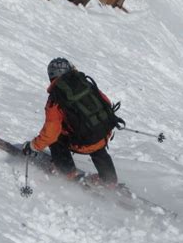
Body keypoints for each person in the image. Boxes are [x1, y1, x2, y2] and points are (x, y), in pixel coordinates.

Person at [22, 57, 123, 185]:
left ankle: (66, 172)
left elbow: (50, 134)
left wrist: (33, 146)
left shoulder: (56, 97)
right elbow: (106, 102)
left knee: (57, 138)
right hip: (104, 133)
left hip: (86, 142)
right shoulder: (85, 83)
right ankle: (109, 180)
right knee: (95, 141)